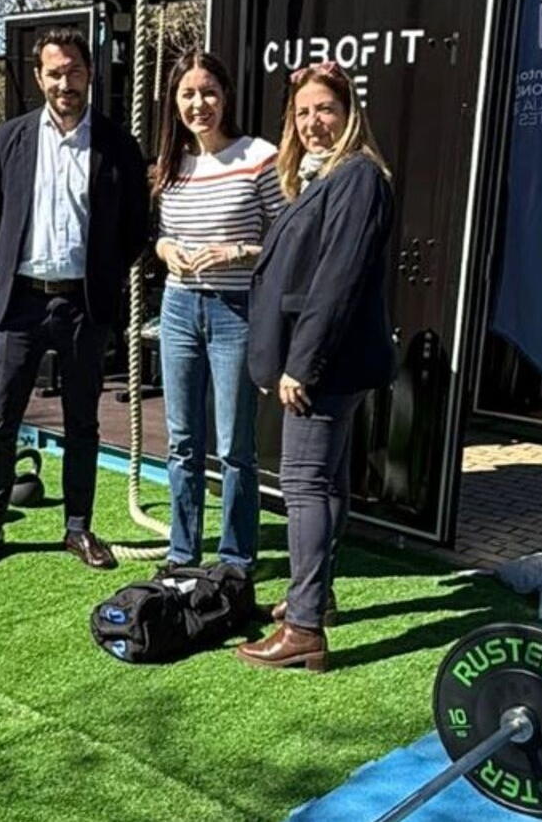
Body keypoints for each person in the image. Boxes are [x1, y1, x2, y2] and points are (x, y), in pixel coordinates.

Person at [0, 28, 151, 571]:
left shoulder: (118, 146)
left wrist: (103, 276)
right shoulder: (7, 140)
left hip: (83, 307)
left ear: (89, 74)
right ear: (38, 76)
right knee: (0, 420)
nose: (64, 83)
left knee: (82, 425)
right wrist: (9, 269)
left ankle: (78, 528)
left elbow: (135, 229)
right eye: (54, 73)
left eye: (74, 71)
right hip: (19, 304)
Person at [235, 61, 394, 672]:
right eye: (302, 113)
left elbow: (338, 279)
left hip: (324, 365)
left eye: (324, 108)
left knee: (304, 486)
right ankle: (315, 599)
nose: (312, 122)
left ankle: (303, 629)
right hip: (331, 361)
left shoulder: (357, 176)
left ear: (349, 112)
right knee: (324, 484)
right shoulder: (326, 177)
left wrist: (301, 364)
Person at [152, 50, 284, 574]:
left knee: (233, 446)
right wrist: (167, 250)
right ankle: (182, 553)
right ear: (174, 100)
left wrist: (238, 252)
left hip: (236, 311)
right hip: (178, 307)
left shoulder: (259, 156)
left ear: (225, 95)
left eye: (208, 91)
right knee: (182, 442)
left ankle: (235, 557)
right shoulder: (172, 163)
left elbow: (288, 239)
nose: (198, 103)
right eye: (187, 93)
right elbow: (162, 235)